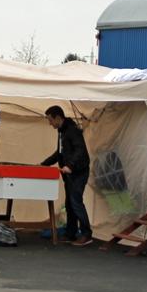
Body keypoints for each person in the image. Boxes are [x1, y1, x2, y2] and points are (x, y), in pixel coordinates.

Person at [41, 105, 93, 245]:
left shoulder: (72, 131)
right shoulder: (61, 132)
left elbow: (80, 150)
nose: (49, 123)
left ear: (58, 118)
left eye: (50, 120)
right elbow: (59, 153)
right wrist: (43, 165)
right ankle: (71, 233)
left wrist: (70, 166)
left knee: (75, 201)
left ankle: (86, 234)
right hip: (70, 174)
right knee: (69, 202)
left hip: (79, 171)